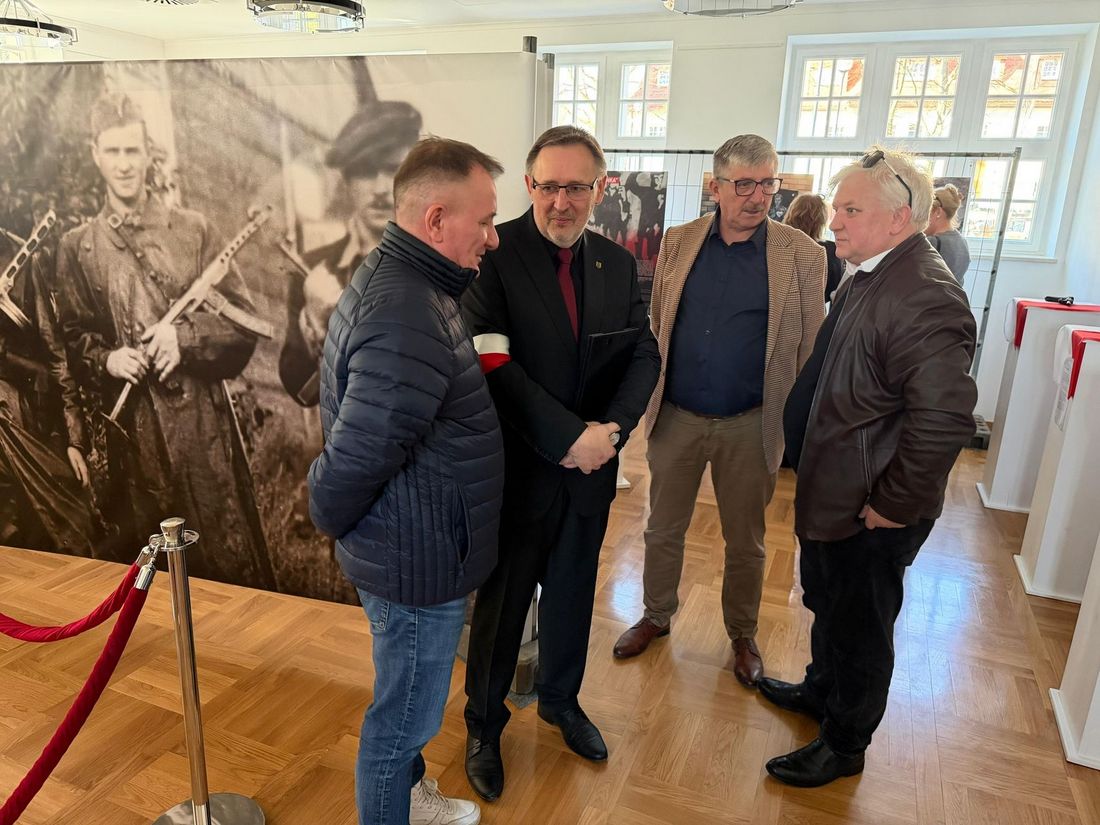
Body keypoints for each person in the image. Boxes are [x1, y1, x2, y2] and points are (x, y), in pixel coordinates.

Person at [762, 147, 977, 787]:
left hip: (872, 507)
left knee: (861, 626)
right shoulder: (872, 273)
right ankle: (821, 692)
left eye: (851, 210)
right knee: (830, 604)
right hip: (839, 492)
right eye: (838, 209)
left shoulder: (926, 296)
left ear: (899, 217)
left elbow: (943, 420)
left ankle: (845, 743)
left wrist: (894, 503)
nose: (836, 222)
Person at [308, 136, 505, 825]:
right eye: (484, 221)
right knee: (401, 723)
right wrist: (329, 515)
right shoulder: (406, 311)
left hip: (415, 546)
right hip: (414, 562)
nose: (492, 237)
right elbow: (357, 457)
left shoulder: (413, 284)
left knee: (407, 705)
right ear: (436, 219)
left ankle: (412, 799)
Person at [461, 126, 660, 802]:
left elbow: (643, 354)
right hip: (521, 474)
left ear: (599, 189)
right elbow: (493, 363)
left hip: (590, 475)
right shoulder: (494, 255)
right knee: (502, 612)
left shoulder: (616, 263)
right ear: (529, 186)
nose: (561, 201)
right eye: (548, 186)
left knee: (573, 598)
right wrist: (570, 437)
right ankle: (483, 726)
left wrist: (611, 432)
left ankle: (560, 701)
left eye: (576, 187)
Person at [612, 135, 825, 690]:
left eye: (768, 183)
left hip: (751, 422)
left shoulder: (802, 255)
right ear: (716, 187)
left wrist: (798, 427)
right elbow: (659, 321)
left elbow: (809, 347)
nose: (758, 196)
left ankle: (742, 635)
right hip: (677, 416)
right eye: (744, 184)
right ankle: (656, 615)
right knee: (662, 528)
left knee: (746, 541)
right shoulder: (679, 241)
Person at [55, 91, 275, 584]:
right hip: (134, 446)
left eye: (132, 150)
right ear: (95, 153)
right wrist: (108, 359)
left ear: (148, 154)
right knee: (153, 585)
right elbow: (70, 342)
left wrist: (185, 340)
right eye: (113, 151)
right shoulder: (78, 248)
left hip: (202, 437)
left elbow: (244, 325)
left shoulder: (194, 230)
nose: (124, 164)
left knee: (226, 571)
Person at [280, 99, 422, 406]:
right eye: (366, 172)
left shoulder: (449, 263)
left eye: (393, 170)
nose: (380, 188)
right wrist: (316, 322)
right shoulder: (315, 271)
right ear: (345, 180)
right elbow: (299, 390)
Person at [0, 221, 96, 555]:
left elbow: (55, 354)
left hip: (29, 422)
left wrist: (75, 439)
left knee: (62, 535)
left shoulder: (20, 256)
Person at [784, 192, 845, 304]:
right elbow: (834, 289)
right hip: (817, 309)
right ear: (822, 220)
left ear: (791, 214)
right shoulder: (831, 250)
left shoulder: (779, 245)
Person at [925, 183, 971, 286]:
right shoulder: (963, 242)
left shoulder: (931, 243)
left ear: (938, 212)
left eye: (926, 213)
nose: (923, 219)